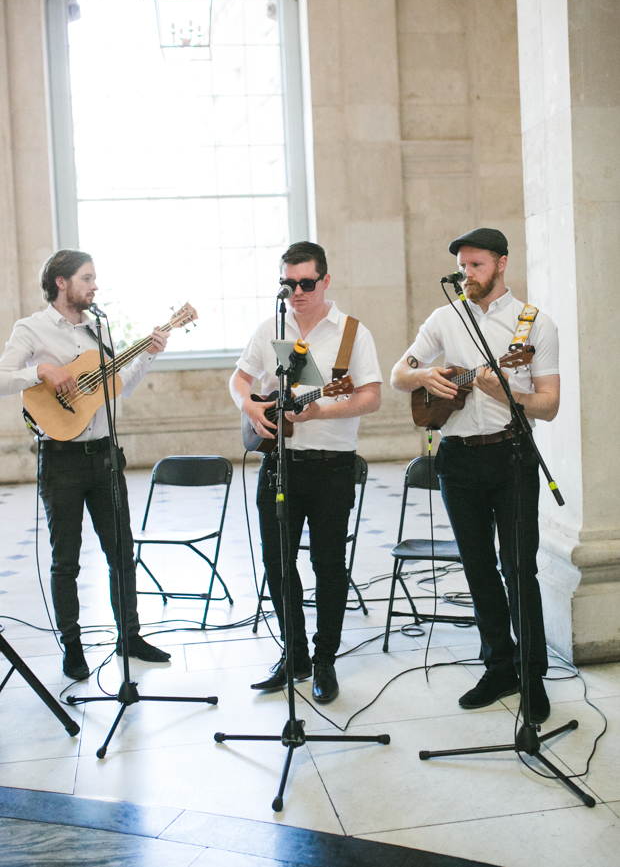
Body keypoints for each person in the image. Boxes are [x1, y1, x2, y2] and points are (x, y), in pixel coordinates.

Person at [391, 228, 560, 724]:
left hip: (512, 457)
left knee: (519, 569)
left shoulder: (533, 325)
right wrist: (425, 376)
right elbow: (400, 373)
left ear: (502, 264)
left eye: (477, 266)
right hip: (457, 461)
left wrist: (508, 392)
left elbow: (548, 405)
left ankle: (533, 674)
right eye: (463, 266)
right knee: (478, 568)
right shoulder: (445, 318)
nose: (467, 275)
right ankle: (498, 665)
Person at [0, 250, 172, 680]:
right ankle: (72, 647)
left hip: (105, 458)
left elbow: (118, 388)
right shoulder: (32, 329)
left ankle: (129, 636)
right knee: (66, 560)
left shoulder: (99, 330)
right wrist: (41, 370)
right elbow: (3, 376)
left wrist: (147, 354)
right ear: (61, 282)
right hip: (61, 463)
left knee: (122, 553)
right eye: (87, 277)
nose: (95, 286)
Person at [230, 241, 382, 703]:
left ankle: (325, 660)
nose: (297, 292)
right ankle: (293, 654)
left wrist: (320, 413)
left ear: (325, 281)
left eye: (306, 283)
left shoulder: (353, 333)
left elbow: (371, 396)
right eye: (288, 284)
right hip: (279, 466)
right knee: (277, 563)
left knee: (328, 566)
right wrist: (251, 407)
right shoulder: (271, 328)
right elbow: (239, 378)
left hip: (331, 468)